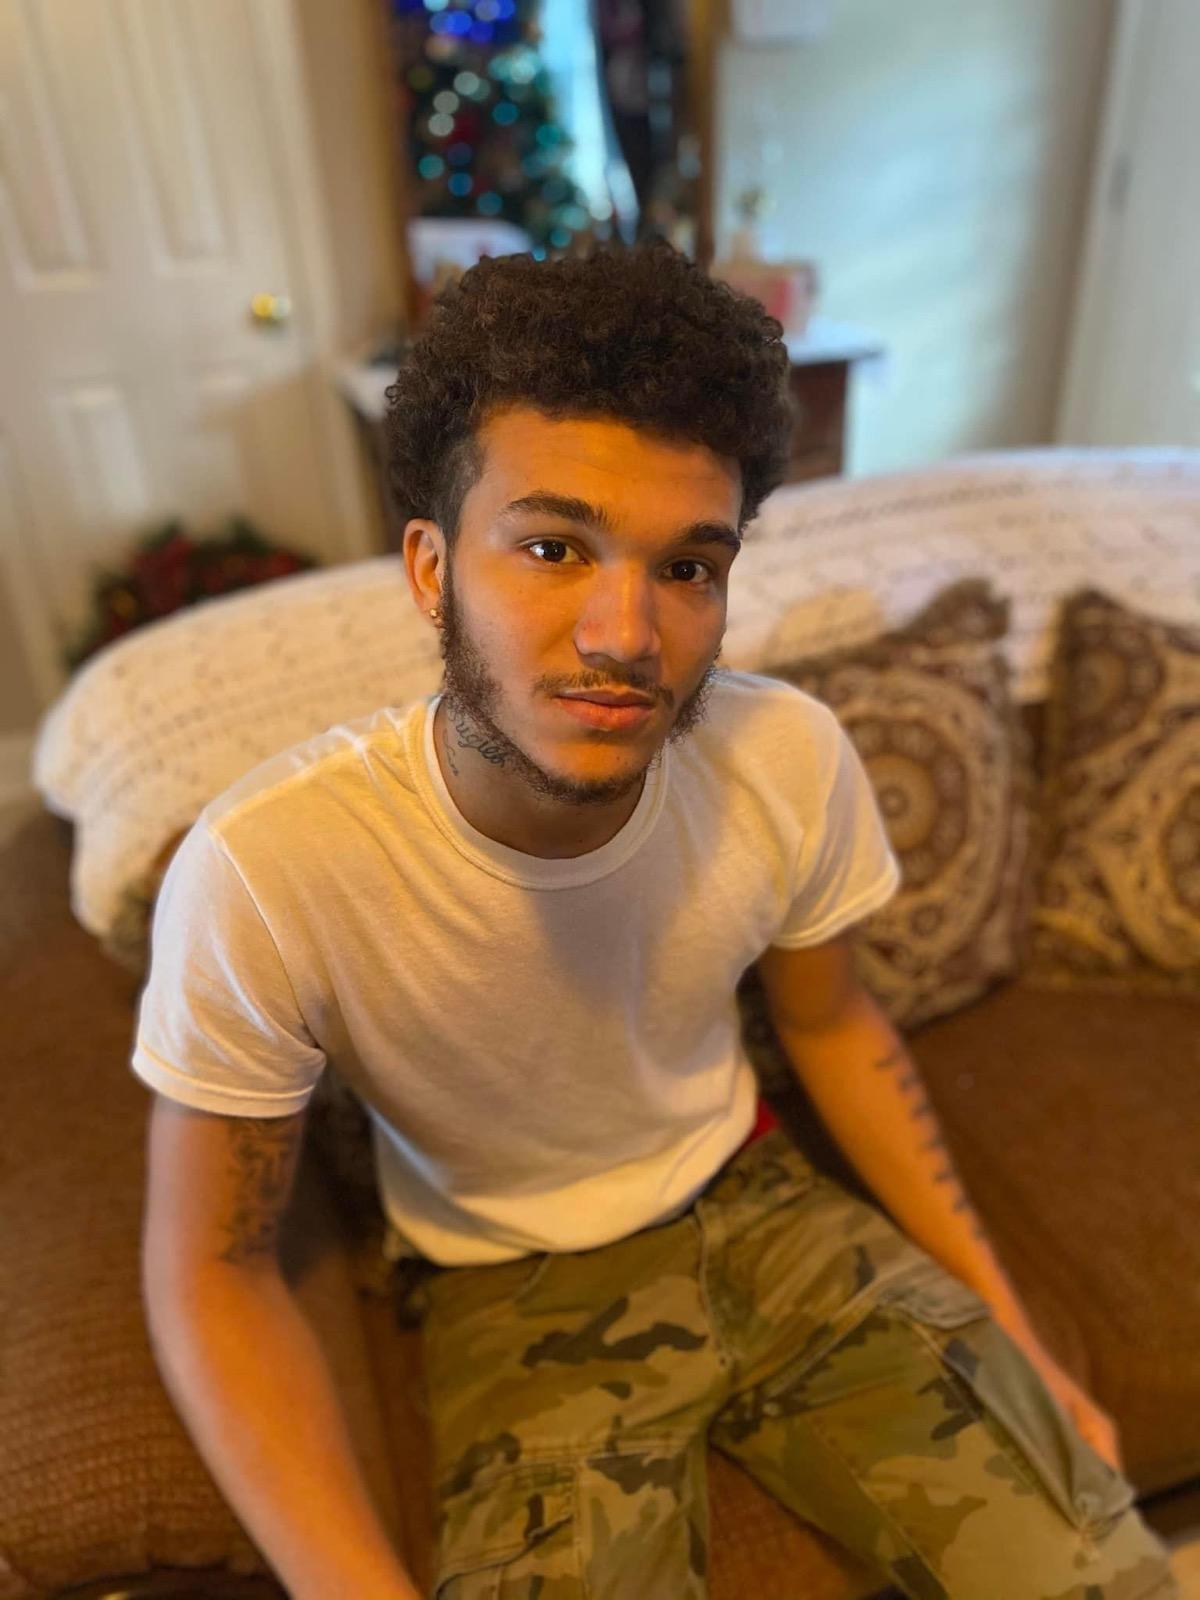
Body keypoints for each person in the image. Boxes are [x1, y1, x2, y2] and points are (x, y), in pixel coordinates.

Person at [135, 240, 1179, 1600]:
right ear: (432, 569)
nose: (626, 633)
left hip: (765, 1203)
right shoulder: (269, 871)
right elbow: (211, 1270)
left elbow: (836, 1025)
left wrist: (1018, 1337)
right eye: (553, 548)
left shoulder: (786, 758)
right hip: (509, 1279)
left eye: (689, 567)